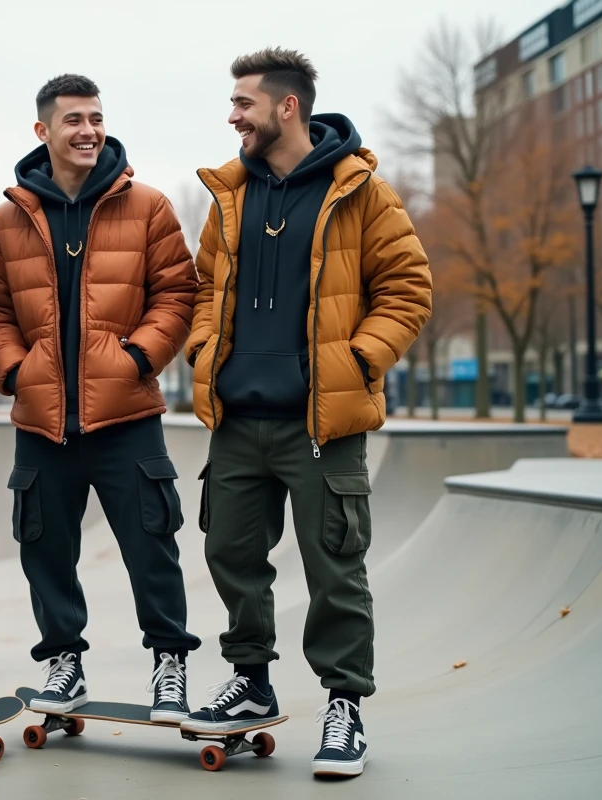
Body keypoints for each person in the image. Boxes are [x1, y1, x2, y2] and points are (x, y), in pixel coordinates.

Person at [182, 48, 432, 778]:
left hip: (321, 423)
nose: (233, 116)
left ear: (287, 107)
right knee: (230, 554)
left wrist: (355, 362)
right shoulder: (228, 195)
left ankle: (345, 706)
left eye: (243, 104)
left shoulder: (362, 192)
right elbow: (205, 287)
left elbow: (408, 288)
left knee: (334, 569)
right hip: (237, 420)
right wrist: (204, 350)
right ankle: (251, 685)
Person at [0, 74, 202, 722]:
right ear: (42, 131)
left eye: (96, 118)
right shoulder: (7, 219)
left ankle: (170, 663)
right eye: (73, 119)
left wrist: (138, 359)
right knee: (44, 549)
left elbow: (177, 294)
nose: (88, 130)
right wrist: (15, 370)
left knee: (153, 546)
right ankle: (63, 663)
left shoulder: (149, 206)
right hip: (42, 420)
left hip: (126, 415)